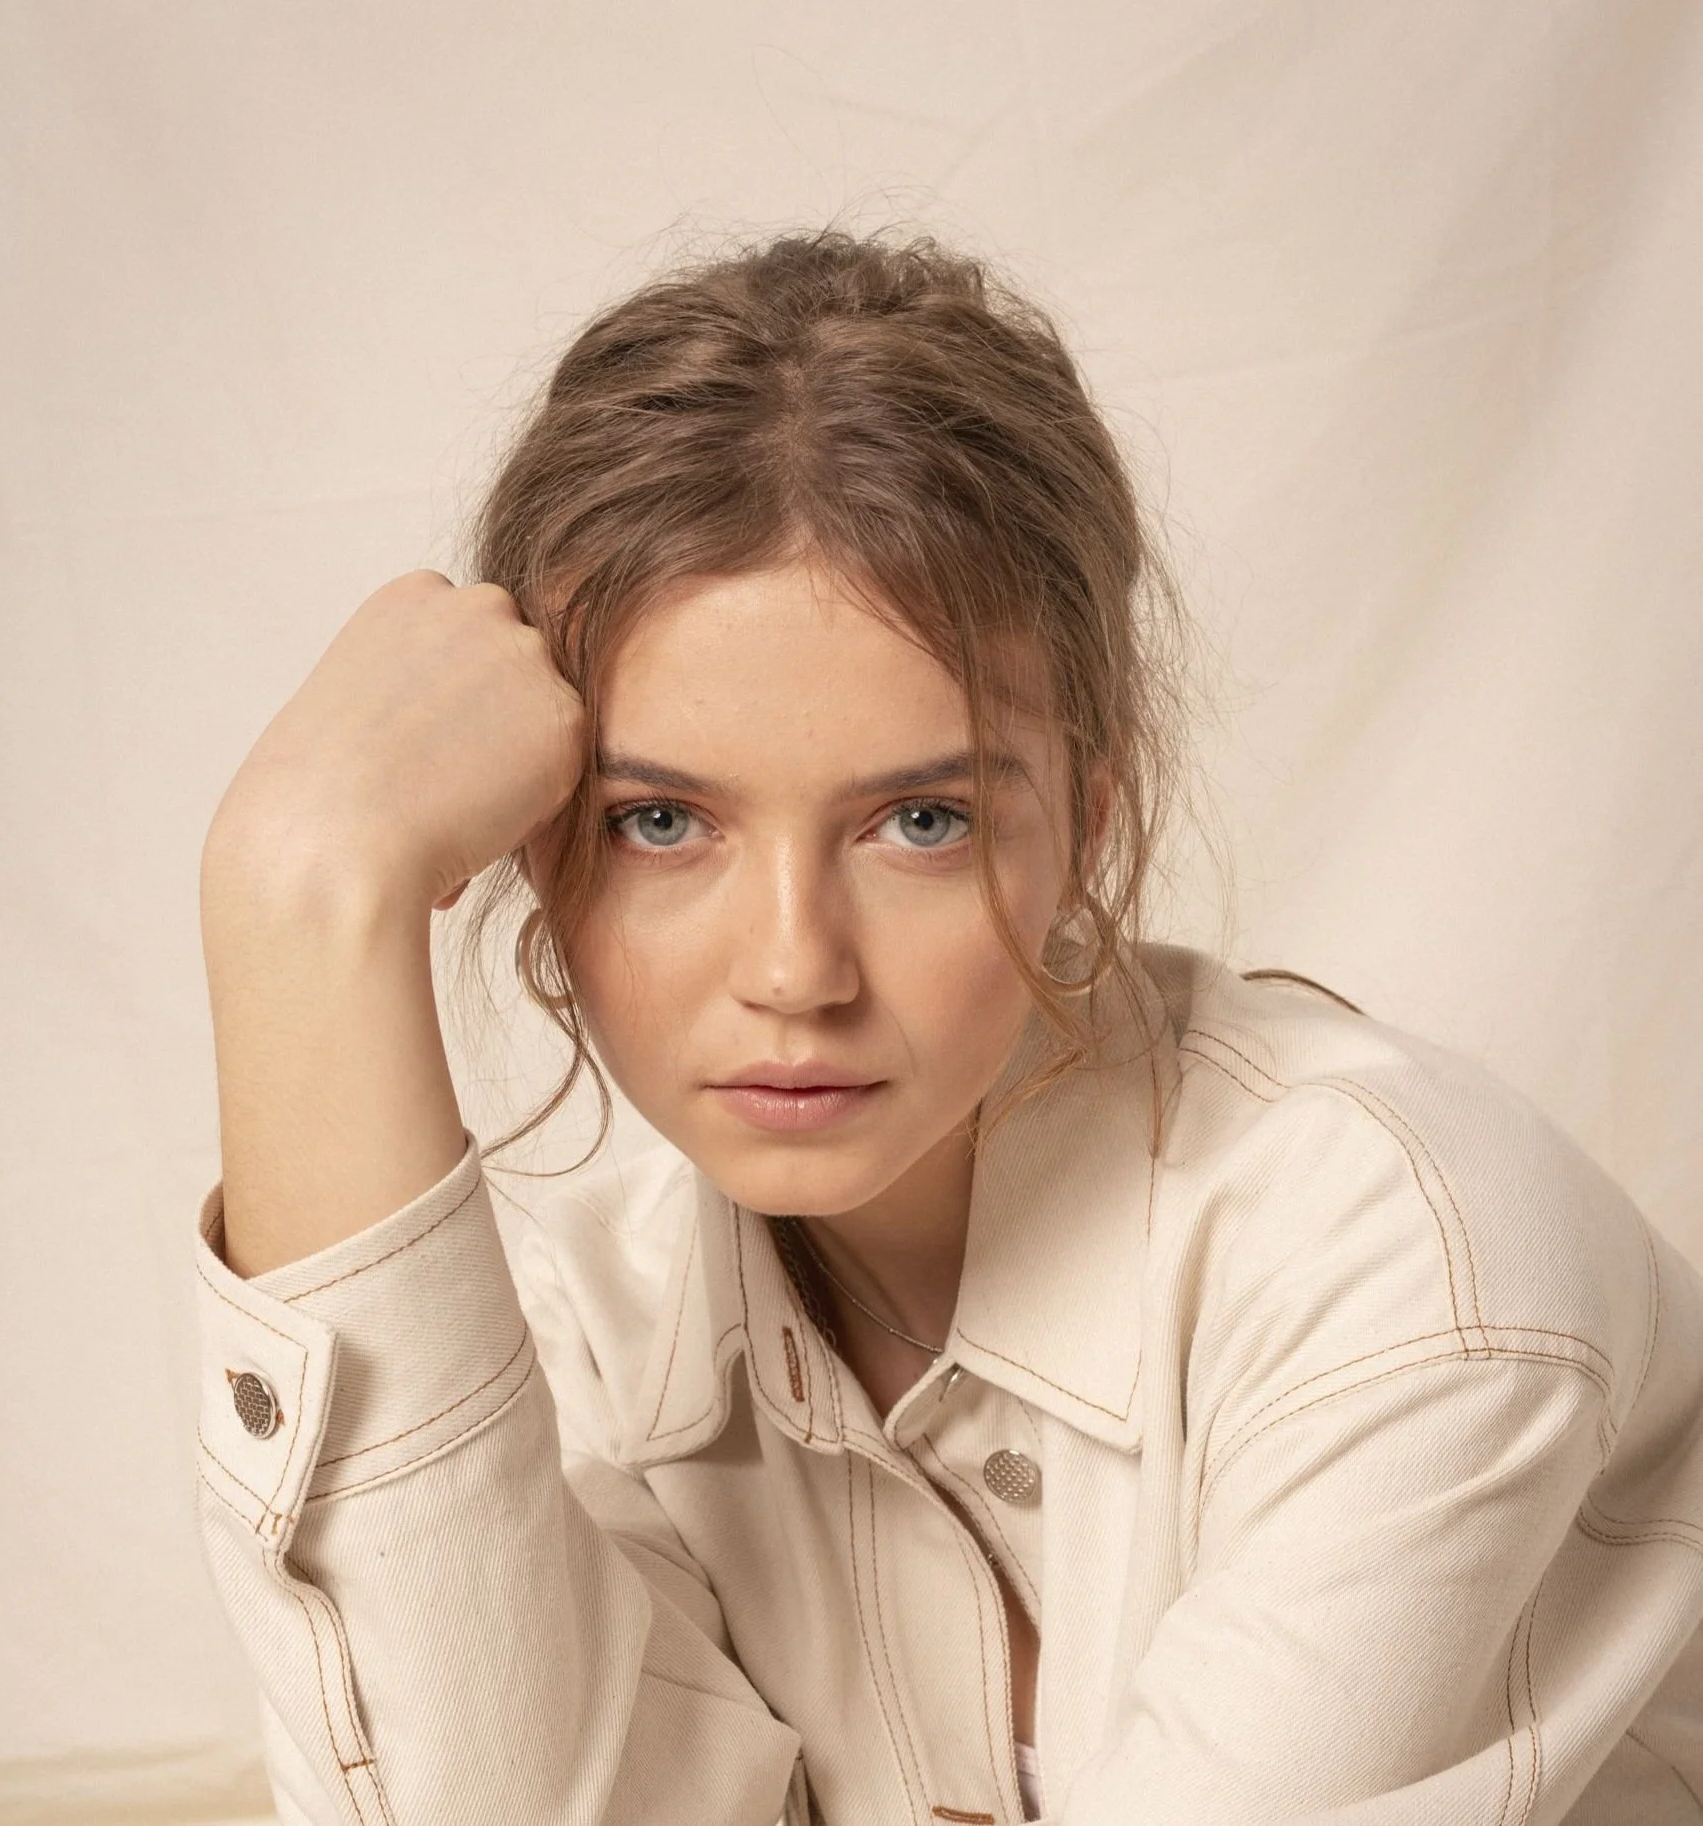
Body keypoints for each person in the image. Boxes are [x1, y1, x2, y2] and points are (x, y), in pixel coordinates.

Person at [192, 231, 1703, 1826]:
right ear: (537, 847)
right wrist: (297, 898)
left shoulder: (1410, 1276)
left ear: (1084, 826)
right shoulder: (588, 1332)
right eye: (660, 821)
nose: (793, 969)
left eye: (919, 820)